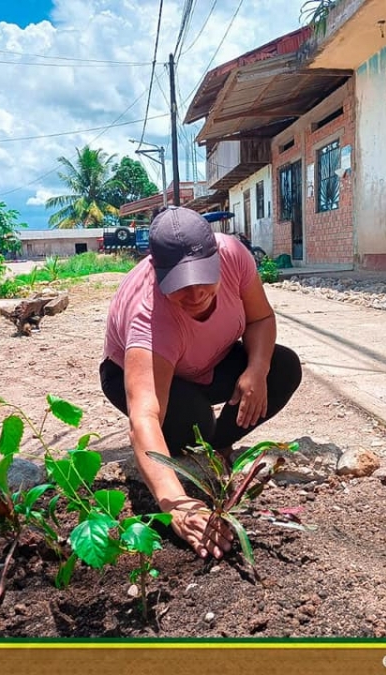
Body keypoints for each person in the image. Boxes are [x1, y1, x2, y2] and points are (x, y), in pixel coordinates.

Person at [100, 206, 302, 560]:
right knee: (192, 422)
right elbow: (144, 417)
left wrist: (255, 368)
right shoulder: (149, 316)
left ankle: (216, 447)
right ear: (157, 272)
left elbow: (261, 318)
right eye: (180, 285)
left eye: (203, 279)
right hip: (143, 374)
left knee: (281, 366)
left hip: (210, 359)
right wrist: (175, 503)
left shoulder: (234, 256)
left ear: (216, 258)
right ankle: (201, 447)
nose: (195, 295)